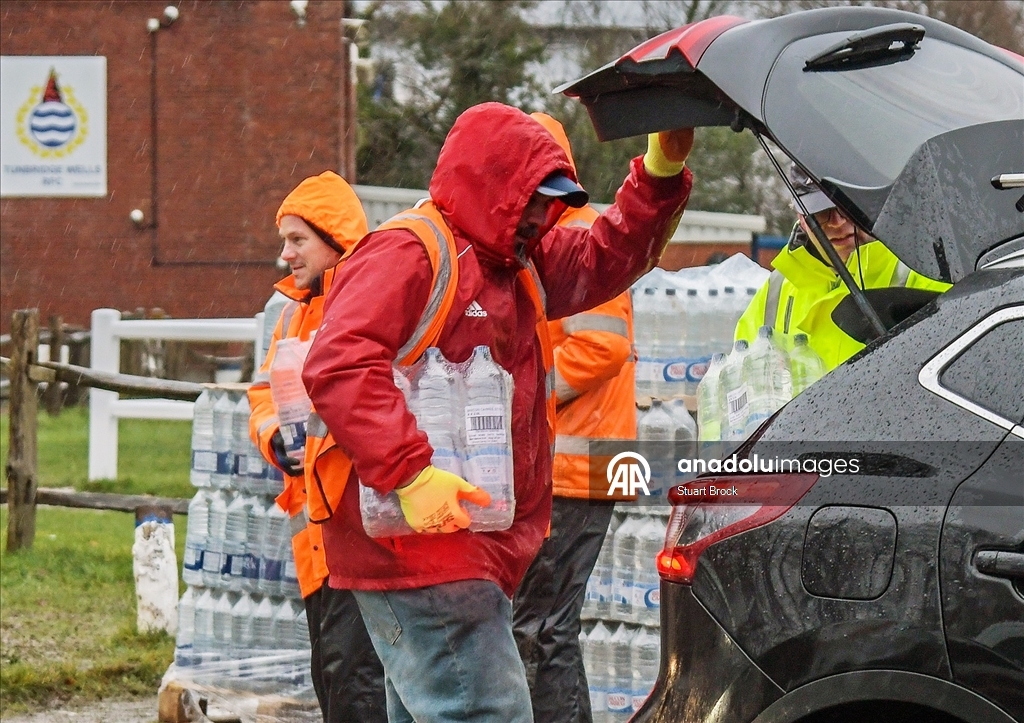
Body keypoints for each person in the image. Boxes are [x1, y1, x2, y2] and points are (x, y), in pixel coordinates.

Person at [301, 102, 694, 723]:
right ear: (494, 187)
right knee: (488, 710)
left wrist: (660, 171)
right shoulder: (410, 252)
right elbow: (339, 364)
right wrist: (410, 474)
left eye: (551, 202)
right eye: (535, 199)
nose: (543, 216)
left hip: (453, 542)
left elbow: (607, 255)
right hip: (420, 545)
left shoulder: (517, 262)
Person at [248, 171, 387, 723]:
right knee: (332, 673)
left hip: (362, 527)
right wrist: (274, 438)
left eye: (297, 239)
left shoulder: (371, 305)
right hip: (314, 532)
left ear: (335, 240)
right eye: (284, 240)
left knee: (356, 678)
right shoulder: (290, 312)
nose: (285, 254)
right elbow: (262, 394)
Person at [511, 112, 636, 723]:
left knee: (540, 629)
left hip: (578, 466)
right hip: (573, 464)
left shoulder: (579, 239)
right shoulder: (548, 241)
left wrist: (524, 395)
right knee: (543, 627)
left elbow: (602, 347)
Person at [735, 164, 949, 369]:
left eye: (847, 205)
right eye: (820, 211)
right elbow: (737, 383)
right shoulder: (774, 293)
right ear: (800, 216)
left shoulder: (929, 269)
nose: (837, 222)